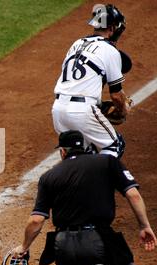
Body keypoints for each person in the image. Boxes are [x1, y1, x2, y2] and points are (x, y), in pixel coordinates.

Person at [11, 130, 157, 265]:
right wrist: (144, 226)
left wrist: (24, 246)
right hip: (98, 241)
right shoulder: (107, 162)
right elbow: (133, 195)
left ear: (63, 151)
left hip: (63, 244)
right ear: (86, 147)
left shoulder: (48, 176)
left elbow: (36, 220)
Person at [52, 4, 131, 158]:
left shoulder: (76, 44)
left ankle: (73, 181)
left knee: (79, 153)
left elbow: (77, 83)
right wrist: (123, 109)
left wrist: (100, 105)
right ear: (113, 28)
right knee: (115, 145)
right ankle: (99, 181)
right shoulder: (110, 50)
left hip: (58, 110)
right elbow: (116, 95)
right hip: (82, 111)